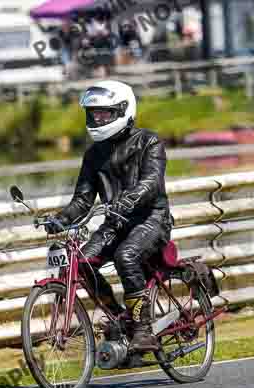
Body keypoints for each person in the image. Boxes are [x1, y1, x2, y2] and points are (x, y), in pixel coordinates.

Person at [45, 80, 173, 355]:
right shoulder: (93, 155)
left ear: (123, 110)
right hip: (115, 223)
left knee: (125, 256)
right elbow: (82, 200)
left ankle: (143, 329)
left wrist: (127, 200)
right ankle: (118, 318)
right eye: (94, 113)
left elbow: (151, 182)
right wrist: (60, 219)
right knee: (79, 264)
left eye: (104, 113)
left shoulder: (148, 142)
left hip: (151, 219)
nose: (98, 118)